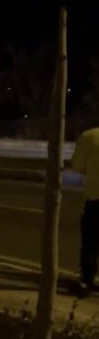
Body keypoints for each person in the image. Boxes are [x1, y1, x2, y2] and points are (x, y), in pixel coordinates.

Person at [73, 125, 99, 294]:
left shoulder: (89, 136)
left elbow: (77, 166)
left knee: (90, 240)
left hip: (96, 197)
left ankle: (87, 280)